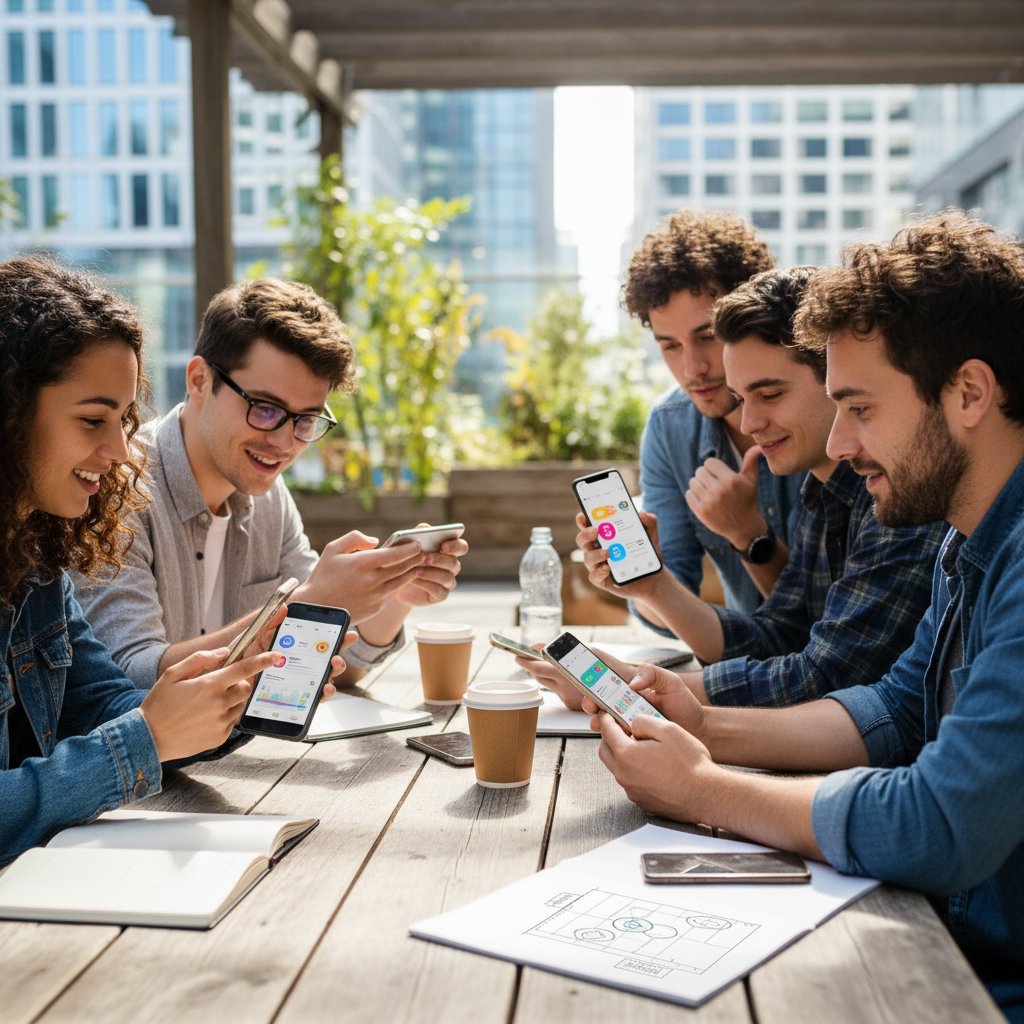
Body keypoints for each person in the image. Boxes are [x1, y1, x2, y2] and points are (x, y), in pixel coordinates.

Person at [587, 212, 1024, 1020]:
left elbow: (939, 821)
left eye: (858, 407)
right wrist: (703, 726)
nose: (845, 446)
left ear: (968, 393)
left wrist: (706, 789)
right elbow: (895, 706)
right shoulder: (967, 539)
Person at [0, 257, 316, 864]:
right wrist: (143, 740)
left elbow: (113, 710)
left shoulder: (39, 567)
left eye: (123, 419)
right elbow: (136, 734)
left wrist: (235, 688)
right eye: (94, 418)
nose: (120, 450)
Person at [525, 267, 944, 708]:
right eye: (742, 399)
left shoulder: (899, 492)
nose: (748, 424)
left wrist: (633, 687)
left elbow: (825, 675)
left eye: (771, 394)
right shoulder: (823, 490)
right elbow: (781, 633)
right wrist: (651, 586)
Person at [74, 278, 468, 689]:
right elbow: (129, 680)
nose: (284, 442)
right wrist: (307, 603)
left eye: (306, 419)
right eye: (264, 408)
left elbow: (340, 662)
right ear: (199, 381)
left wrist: (396, 594)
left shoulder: (268, 497)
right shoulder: (115, 486)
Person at [623, 210, 803, 622]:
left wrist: (750, 534)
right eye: (669, 345)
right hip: (741, 661)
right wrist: (643, 579)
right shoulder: (670, 427)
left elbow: (834, 624)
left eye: (707, 337)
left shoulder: (820, 416)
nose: (692, 368)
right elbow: (673, 608)